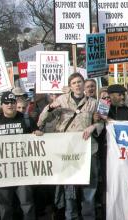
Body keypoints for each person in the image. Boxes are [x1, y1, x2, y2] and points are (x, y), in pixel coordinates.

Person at [38, 73, 103, 220]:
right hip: (66, 152)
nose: (77, 85)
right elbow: (42, 121)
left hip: (87, 151)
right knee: (69, 191)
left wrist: (94, 126)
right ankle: (71, 217)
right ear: (70, 85)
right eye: (74, 83)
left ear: (83, 83)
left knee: (89, 189)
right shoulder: (62, 100)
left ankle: (88, 217)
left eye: (79, 82)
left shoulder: (93, 103)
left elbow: (102, 123)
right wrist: (49, 107)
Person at [0, 91, 43, 220]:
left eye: (12, 102)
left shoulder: (26, 120)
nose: (10, 105)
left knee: (27, 205)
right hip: (3, 173)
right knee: (4, 207)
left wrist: (38, 134)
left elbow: (37, 138)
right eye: (6, 103)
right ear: (2, 105)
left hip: (23, 172)